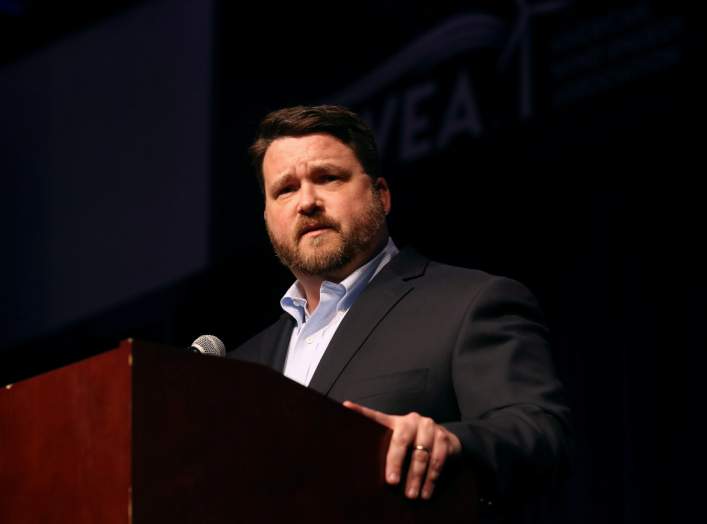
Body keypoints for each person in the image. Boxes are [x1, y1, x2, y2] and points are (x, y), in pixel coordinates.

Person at [229, 105, 571, 517]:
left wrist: (452, 442)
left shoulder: (468, 304)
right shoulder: (241, 367)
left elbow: (541, 435)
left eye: (328, 178)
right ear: (267, 218)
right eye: (285, 189)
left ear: (382, 195)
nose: (307, 202)